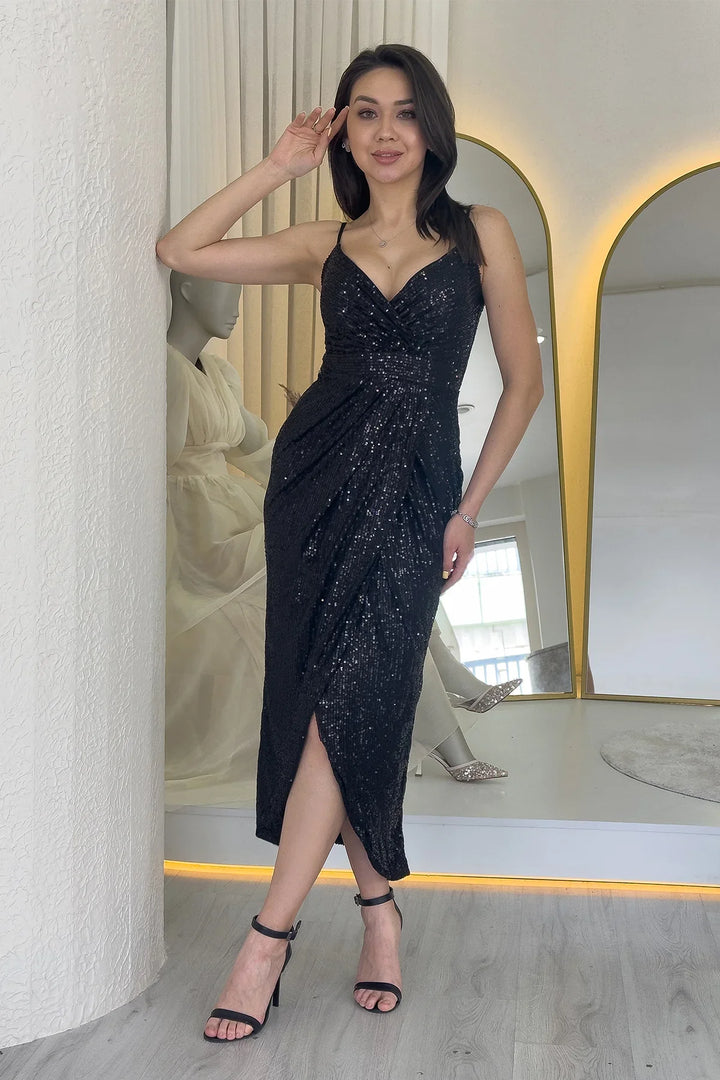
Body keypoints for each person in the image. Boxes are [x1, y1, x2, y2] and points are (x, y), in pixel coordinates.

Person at [157, 43, 542, 1043]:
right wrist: (277, 166)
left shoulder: (481, 232)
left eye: (405, 111)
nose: (385, 131)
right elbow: (182, 250)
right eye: (364, 112)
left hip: (417, 500)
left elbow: (524, 383)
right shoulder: (321, 242)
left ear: (433, 126)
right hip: (313, 487)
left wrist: (468, 508)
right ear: (343, 132)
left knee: (355, 702)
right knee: (328, 706)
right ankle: (378, 914)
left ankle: (266, 938)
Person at [165, 271, 272, 797]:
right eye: (228, 287)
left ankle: (441, 700)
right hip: (198, 531)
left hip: (231, 508)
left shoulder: (220, 372)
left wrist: (317, 490)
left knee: (345, 543)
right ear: (186, 288)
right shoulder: (165, 366)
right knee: (325, 561)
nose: (237, 302)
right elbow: (158, 461)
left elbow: (255, 445)